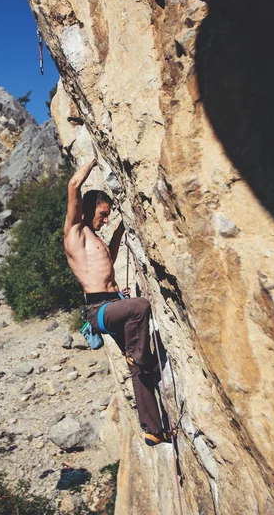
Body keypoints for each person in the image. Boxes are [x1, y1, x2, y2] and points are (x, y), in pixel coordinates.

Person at [64, 158, 166, 446]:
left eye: (108, 215)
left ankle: (153, 430)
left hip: (113, 303)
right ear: (86, 210)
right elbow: (73, 184)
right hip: (100, 310)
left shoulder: (95, 239)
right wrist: (94, 161)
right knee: (141, 307)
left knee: (141, 369)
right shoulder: (75, 234)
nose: (105, 219)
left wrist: (122, 226)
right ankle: (137, 354)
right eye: (102, 214)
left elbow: (110, 253)